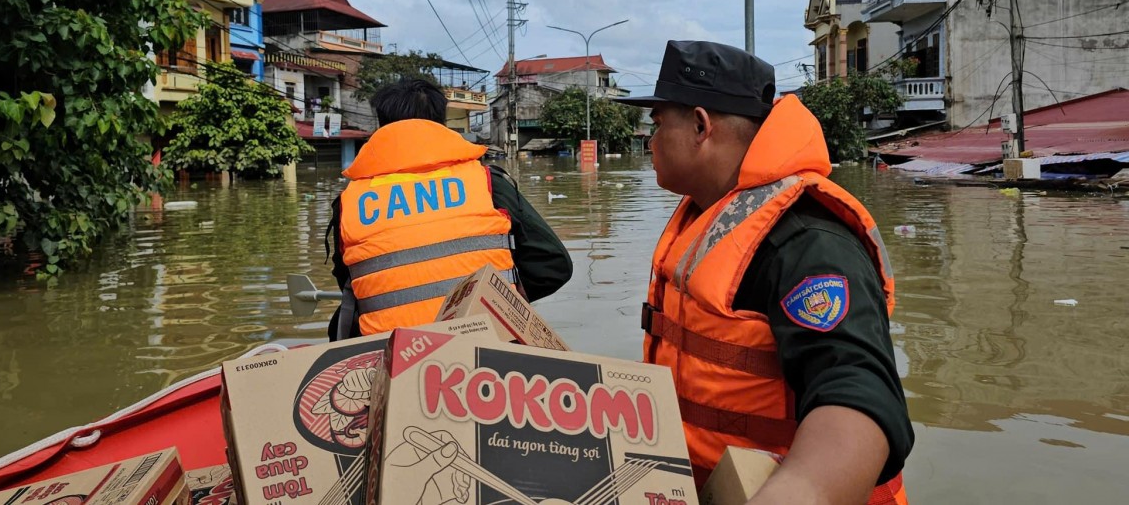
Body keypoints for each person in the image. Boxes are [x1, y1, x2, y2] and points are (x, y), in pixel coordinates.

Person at [617, 41, 913, 504]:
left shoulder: (807, 241)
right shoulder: (709, 213)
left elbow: (856, 393)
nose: (650, 141)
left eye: (657, 125)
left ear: (701, 126)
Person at [324, 77, 572, 339]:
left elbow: (353, 284)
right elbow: (554, 266)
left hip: (394, 353)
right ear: (441, 122)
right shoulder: (488, 184)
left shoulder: (350, 202)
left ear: (382, 126)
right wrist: (499, 303)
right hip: (487, 345)